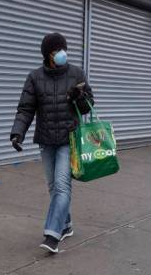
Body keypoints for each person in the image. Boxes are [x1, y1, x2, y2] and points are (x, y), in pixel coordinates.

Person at [10, 33, 93, 254]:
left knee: (62, 185)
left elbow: (88, 107)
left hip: (69, 139)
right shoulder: (35, 77)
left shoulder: (76, 74)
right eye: (57, 51)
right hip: (46, 140)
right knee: (52, 187)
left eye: (63, 49)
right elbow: (26, 109)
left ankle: (53, 234)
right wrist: (17, 133)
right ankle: (66, 225)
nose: (62, 54)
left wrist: (79, 97)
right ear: (48, 55)